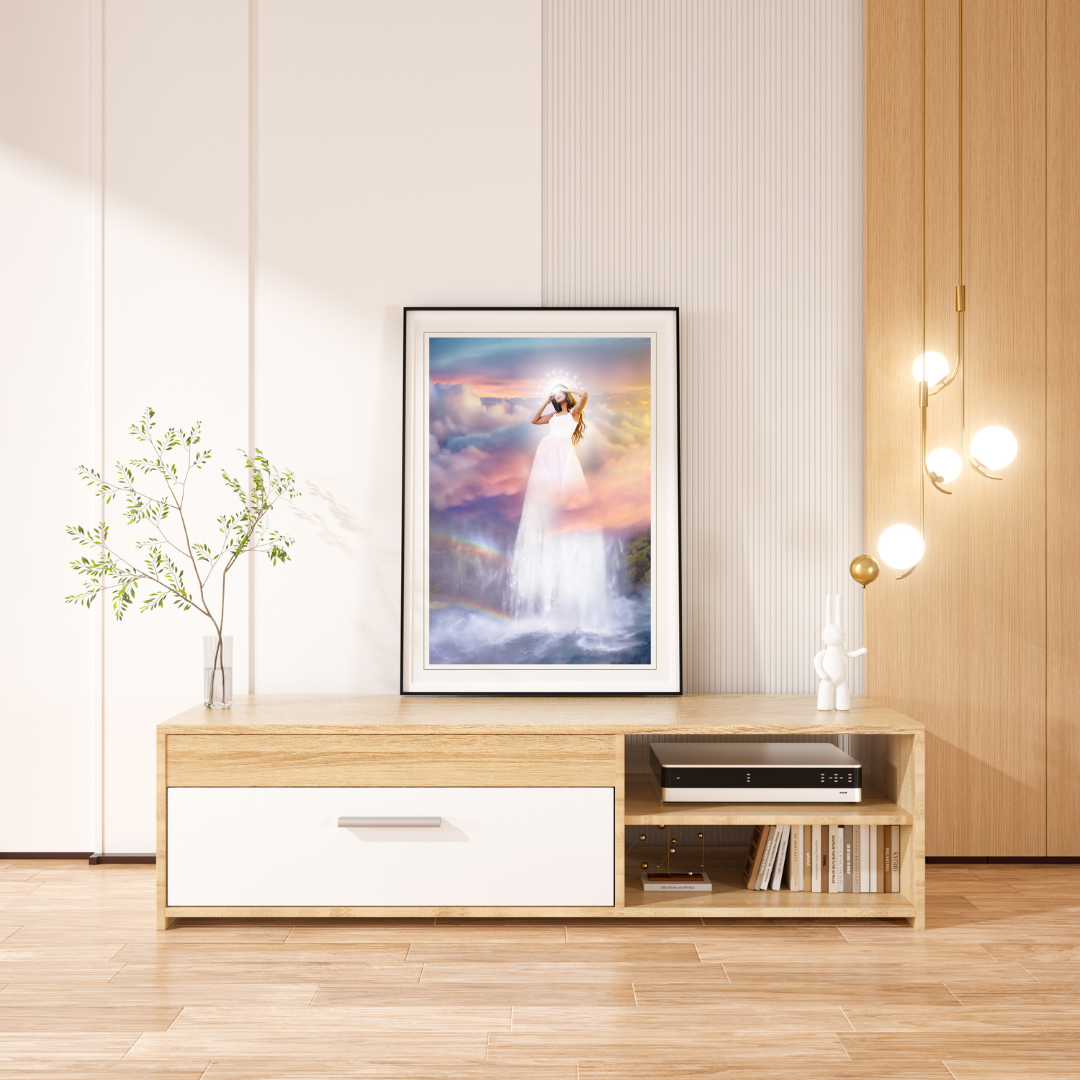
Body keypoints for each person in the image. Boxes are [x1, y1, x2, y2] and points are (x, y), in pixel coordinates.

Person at [508, 385, 610, 629]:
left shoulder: (574, 412)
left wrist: (569, 387)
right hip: (547, 451)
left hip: (563, 452)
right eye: (555, 393)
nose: (556, 395)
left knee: (565, 486)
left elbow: (586, 395)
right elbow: (534, 420)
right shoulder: (553, 415)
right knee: (547, 489)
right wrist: (546, 401)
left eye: (559, 393)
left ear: (566, 397)